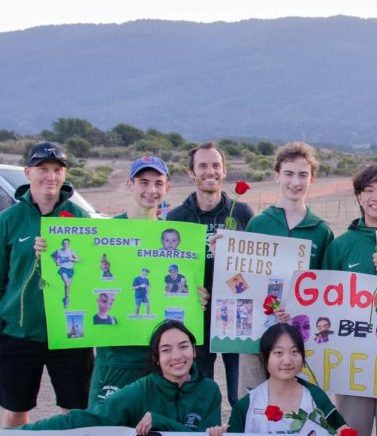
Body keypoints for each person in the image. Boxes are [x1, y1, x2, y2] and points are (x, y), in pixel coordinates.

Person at [0, 141, 93, 427]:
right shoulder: (8, 220)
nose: (51, 176)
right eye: (43, 169)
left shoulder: (80, 218)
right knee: (16, 410)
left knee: (75, 411)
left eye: (57, 169)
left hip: (70, 334)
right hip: (19, 334)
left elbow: (93, 271)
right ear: (28, 172)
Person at [0, 321, 223, 436]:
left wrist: (160, 422)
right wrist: (10, 435)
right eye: (166, 350)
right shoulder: (141, 390)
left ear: (194, 350)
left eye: (183, 347)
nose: (177, 357)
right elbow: (87, 418)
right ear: (156, 357)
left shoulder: (209, 390)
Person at [321, 164, 377, 436]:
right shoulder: (341, 245)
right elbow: (323, 304)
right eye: (368, 190)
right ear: (358, 197)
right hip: (351, 360)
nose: (376, 196)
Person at [167, 142, 253, 406]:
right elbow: (168, 270)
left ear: (224, 171)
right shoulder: (177, 217)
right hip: (195, 318)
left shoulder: (241, 212)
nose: (210, 171)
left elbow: (254, 265)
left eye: (216, 165)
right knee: (198, 391)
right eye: (202, 166)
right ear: (191, 173)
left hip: (236, 316)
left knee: (240, 394)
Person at [88, 156, 173, 404]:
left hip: (158, 357)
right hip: (115, 357)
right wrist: (45, 250)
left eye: (158, 183)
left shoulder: (174, 237)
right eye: (143, 182)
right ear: (130, 185)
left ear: (167, 188)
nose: (151, 190)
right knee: (105, 429)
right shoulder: (105, 231)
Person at [215, 323, 346, 435]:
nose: (287, 361)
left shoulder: (316, 397)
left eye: (294, 352)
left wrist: (344, 434)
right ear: (265, 357)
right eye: (278, 353)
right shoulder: (247, 405)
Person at [245, 141, 333, 269]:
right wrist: (222, 252)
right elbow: (242, 274)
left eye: (303, 175)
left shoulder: (322, 230)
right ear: (277, 176)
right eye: (289, 174)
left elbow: (327, 279)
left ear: (312, 179)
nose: (296, 182)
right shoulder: (257, 224)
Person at [50, 238, 79, 308]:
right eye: (64, 243)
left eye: (67, 243)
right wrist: (56, 262)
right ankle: (66, 300)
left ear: (69, 244)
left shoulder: (72, 251)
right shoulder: (59, 251)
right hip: (63, 269)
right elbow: (52, 255)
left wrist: (71, 259)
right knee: (67, 284)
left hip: (71, 270)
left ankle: (66, 298)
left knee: (68, 286)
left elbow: (78, 259)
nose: (65, 244)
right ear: (62, 244)